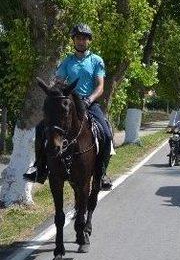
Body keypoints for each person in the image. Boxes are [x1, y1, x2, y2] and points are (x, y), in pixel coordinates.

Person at [24, 24, 114, 190]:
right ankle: (40, 168)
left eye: (84, 38)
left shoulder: (96, 61)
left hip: (89, 103)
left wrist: (89, 99)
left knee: (106, 133)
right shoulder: (67, 61)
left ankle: (101, 174)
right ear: (73, 40)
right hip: (67, 104)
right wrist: (55, 90)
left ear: (89, 41)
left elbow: (100, 86)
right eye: (78, 38)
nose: (81, 41)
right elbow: (58, 82)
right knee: (41, 128)